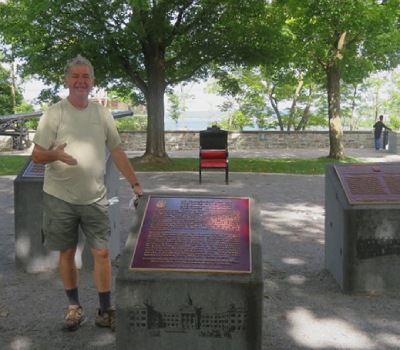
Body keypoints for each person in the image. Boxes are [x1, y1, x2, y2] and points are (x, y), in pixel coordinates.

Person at [31, 55, 144, 332]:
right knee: (67, 252)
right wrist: (54, 154)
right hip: (60, 197)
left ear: (92, 82)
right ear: (67, 80)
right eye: (75, 76)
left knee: (102, 252)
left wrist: (135, 184)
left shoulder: (102, 114)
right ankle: (73, 307)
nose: (81, 81)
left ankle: (105, 310)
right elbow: (36, 155)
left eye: (86, 77)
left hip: (95, 198)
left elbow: (116, 151)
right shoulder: (54, 113)